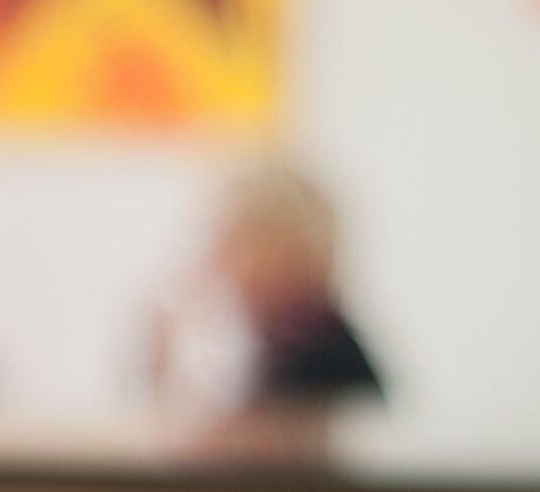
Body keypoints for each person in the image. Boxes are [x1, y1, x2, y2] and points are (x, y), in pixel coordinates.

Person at [147, 160, 382, 461]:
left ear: (282, 254)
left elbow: (218, 452)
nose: (214, 260)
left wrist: (161, 375)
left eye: (228, 242)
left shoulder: (321, 357)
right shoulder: (292, 344)